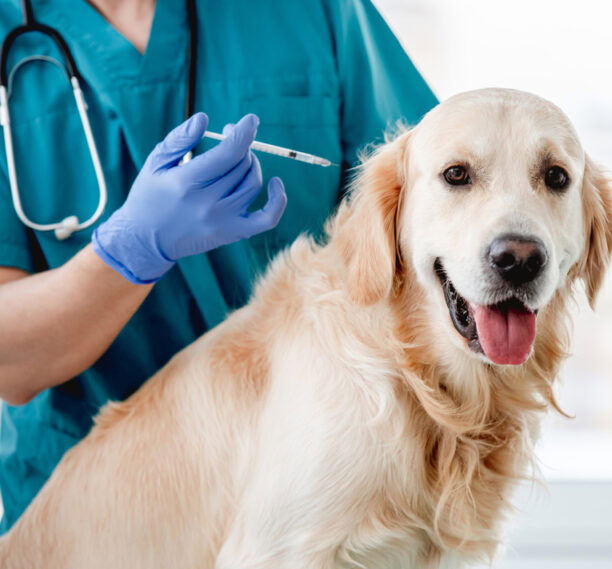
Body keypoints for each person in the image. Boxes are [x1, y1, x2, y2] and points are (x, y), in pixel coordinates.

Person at [0, 0, 437, 532]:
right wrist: (130, 251)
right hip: (92, 518)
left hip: (319, 493)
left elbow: (438, 222)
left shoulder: (319, 11)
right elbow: (11, 363)